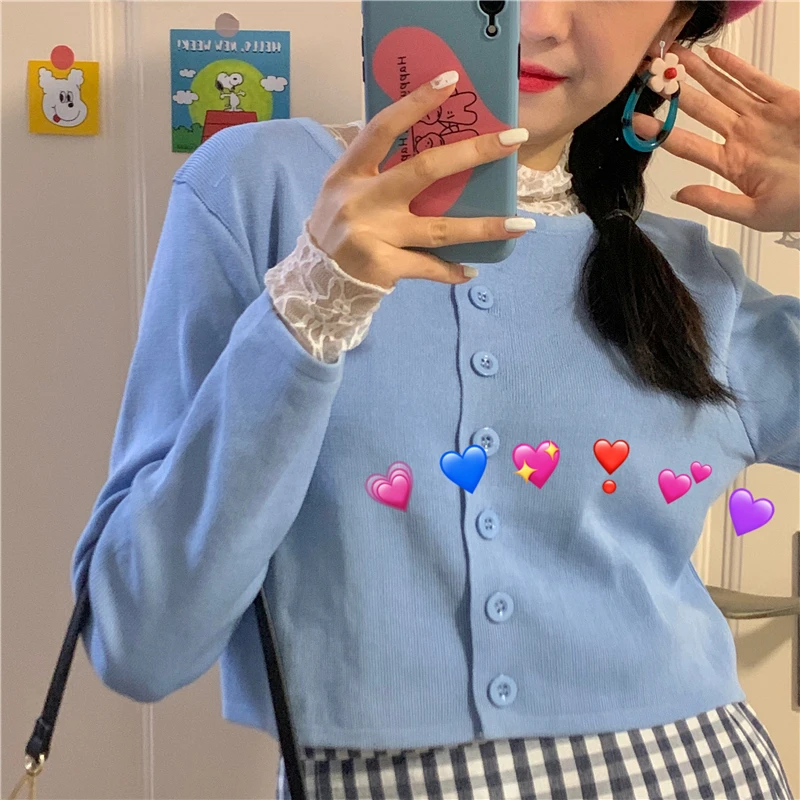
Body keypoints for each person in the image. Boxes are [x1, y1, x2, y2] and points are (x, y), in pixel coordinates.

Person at [70, 1, 799, 798]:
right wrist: (312, 303)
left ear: (672, 24)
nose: (536, 22)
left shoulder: (689, 281)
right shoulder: (263, 190)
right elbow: (142, 641)